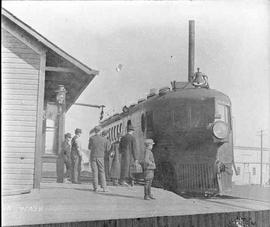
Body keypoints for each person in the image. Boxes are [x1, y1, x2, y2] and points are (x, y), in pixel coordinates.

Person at [88, 126, 111, 192]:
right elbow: (107, 149)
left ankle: (95, 187)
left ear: (95, 131)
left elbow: (89, 147)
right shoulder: (104, 139)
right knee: (102, 172)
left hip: (93, 157)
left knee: (95, 172)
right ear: (100, 131)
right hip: (101, 157)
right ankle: (104, 188)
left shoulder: (91, 138)